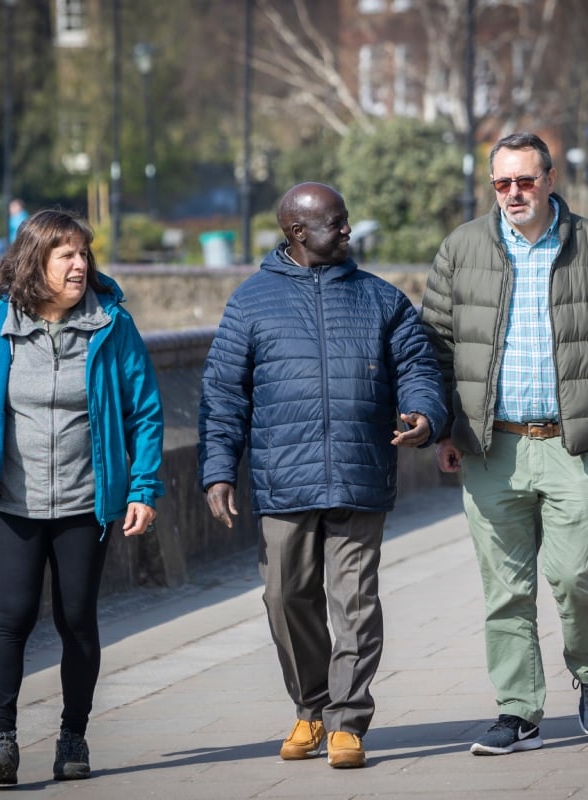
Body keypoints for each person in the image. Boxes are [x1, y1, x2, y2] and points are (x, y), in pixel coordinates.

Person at [197, 182, 446, 769]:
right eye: (335, 223)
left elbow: (418, 367)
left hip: (360, 470)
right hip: (284, 477)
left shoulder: (381, 300)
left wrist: (424, 415)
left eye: (345, 220)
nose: (347, 230)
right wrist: (218, 471)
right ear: (297, 232)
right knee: (286, 598)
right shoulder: (251, 302)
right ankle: (311, 708)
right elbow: (223, 394)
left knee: (354, 601)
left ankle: (347, 720)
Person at [420, 132, 588, 755]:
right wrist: (443, 428)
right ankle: (518, 711)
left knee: (575, 577)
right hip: (491, 448)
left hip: (574, 445)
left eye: (524, 181)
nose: (513, 193)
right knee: (506, 590)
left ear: (549, 178)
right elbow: (433, 346)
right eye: (501, 184)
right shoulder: (461, 248)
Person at [0, 209, 164, 785]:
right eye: (67, 255)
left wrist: (144, 487)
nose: (80, 264)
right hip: (12, 501)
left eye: (84, 253)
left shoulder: (112, 323)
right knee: (9, 617)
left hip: (87, 501)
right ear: (36, 261)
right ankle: (1, 740)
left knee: (77, 619)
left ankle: (73, 736)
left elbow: (146, 412)